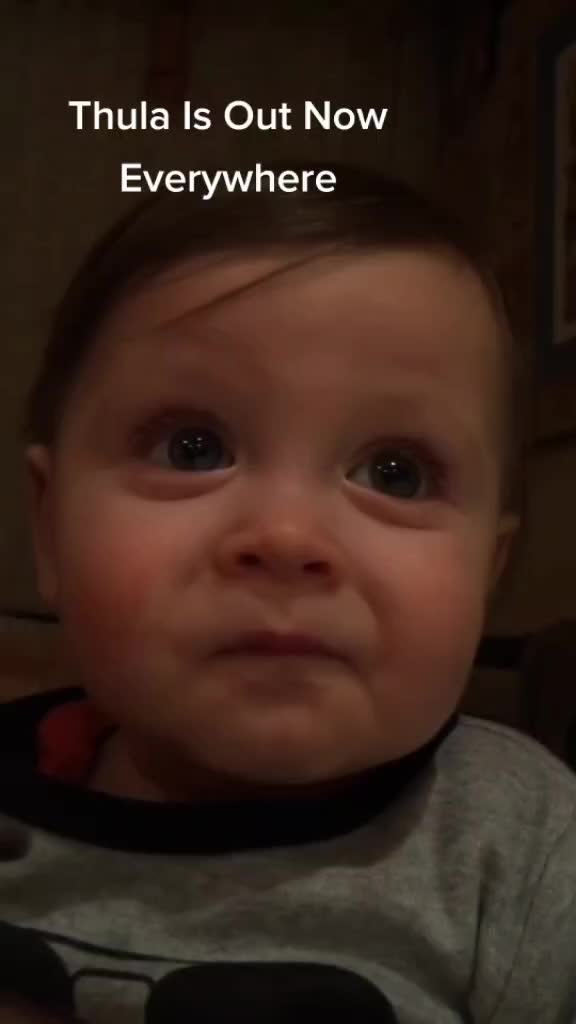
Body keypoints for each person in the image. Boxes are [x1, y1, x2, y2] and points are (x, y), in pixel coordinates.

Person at [0, 164, 574, 1023]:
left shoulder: (526, 847)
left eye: (396, 473)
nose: (287, 538)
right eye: (192, 449)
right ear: (51, 529)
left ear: (487, 574)